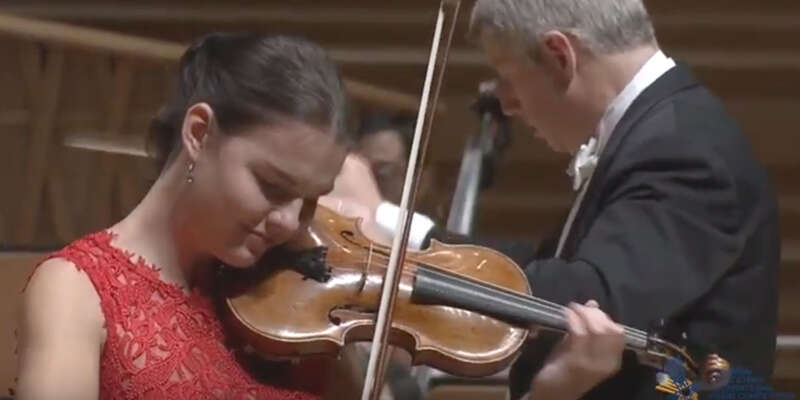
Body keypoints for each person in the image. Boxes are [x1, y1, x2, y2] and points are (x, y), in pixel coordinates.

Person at [13, 31, 625, 400]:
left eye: (310, 199)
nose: (289, 222)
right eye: (271, 186)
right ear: (199, 133)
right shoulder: (78, 291)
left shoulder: (301, 306)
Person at [327, 0, 780, 399]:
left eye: (506, 76)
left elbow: (590, 297)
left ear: (559, 55)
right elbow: (552, 263)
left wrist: (394, 251)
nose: (504, 103)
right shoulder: (662, 131)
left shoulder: (684, 147)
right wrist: (391, 224)